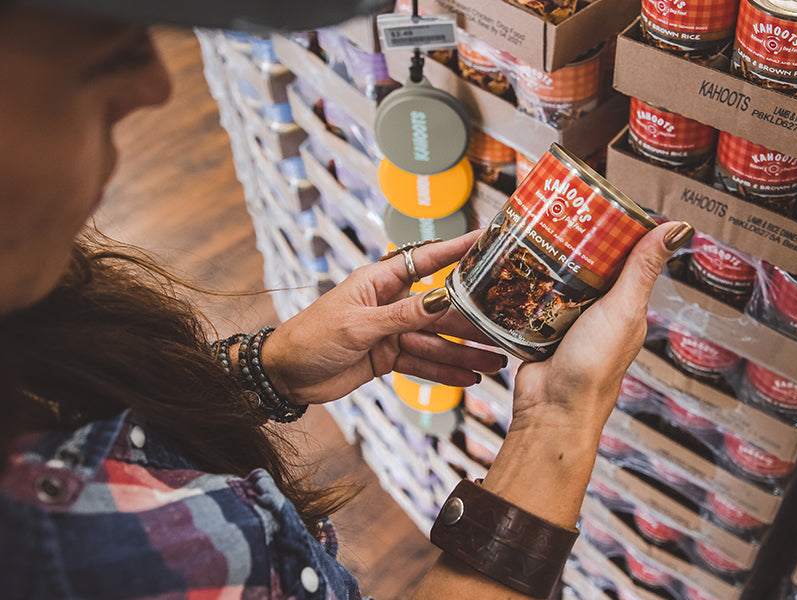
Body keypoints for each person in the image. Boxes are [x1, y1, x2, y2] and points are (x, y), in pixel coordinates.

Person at [0, 3, 695, 599]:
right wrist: (557, 425)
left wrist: (260, 372)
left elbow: (97, 437)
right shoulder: (70, 555)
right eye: (95, 46)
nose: (153, 83)